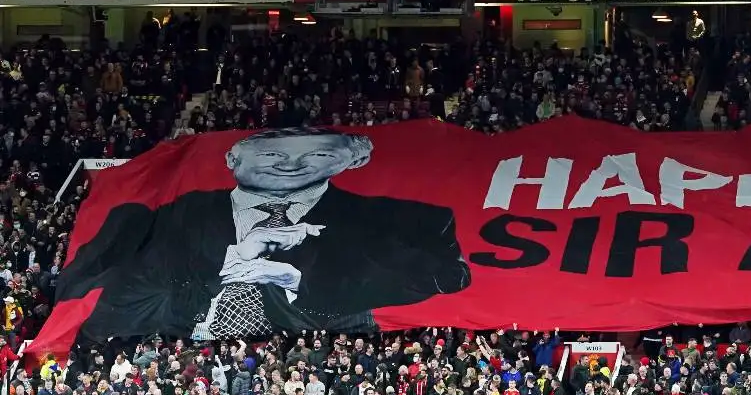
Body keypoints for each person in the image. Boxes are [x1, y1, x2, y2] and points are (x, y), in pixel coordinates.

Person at [58, 128, 472, 342]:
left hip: (304, 361)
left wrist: (292, 278)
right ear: (232, 158)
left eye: (320, 154)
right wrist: (232, 260)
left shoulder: (406, 220)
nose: (291, 166)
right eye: (272, 153)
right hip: (179, 356)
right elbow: (101, 295)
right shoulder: (165, 212)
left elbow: (447, 277)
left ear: (353, 161)